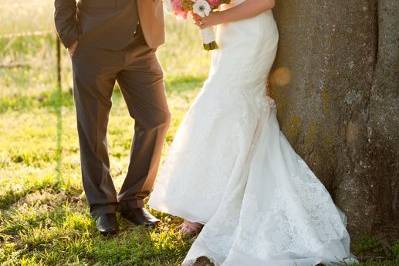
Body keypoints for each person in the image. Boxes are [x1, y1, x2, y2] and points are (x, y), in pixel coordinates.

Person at [149, 0, 356, 265]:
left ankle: (222, 202)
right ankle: (203, 203)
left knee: (228, 106)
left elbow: (265, 1)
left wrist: (215, 18)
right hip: (229, 34)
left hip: (253, 35)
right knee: (216, 107)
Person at [54, 0, 169, 235]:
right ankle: (102, 206)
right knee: (93, 125)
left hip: (142, 42)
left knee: (156, 118)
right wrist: (70, 36)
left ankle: (133, 200)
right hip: (93, 40)